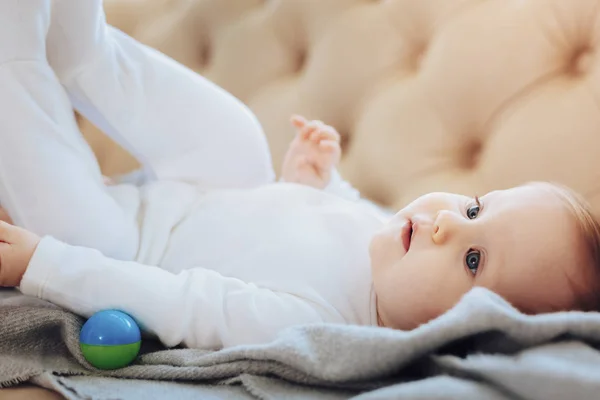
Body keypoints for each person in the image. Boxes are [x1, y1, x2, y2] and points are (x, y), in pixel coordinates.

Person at [0, 0, 599, 350]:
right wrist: (314, 182)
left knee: (79, 228)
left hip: (132, 244)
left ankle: (14, 56)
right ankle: (83, 50)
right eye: (474, 208)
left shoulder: (319, 322)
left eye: (473, 261)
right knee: (238, 142)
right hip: (218, 187)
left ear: (462, 334)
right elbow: (324, 218)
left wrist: (42, 264)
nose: (445, 224)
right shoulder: (387, 238)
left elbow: (188, 303)